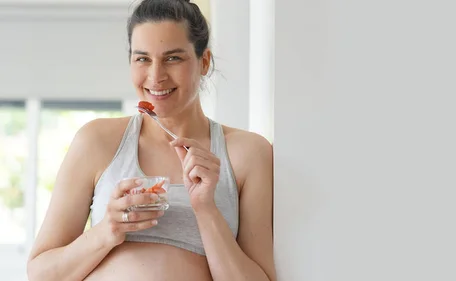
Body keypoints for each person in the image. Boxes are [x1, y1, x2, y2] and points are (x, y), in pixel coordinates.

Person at [26, 0, 276, 280]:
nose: (155, 77)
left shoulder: (250, 153)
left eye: (173, 58)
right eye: (142, 58)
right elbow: (41, 274)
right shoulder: (95, 141)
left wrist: (205, 209)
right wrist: (108, 230)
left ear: (204, 62)